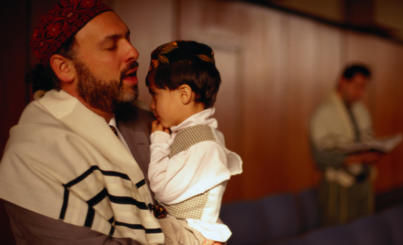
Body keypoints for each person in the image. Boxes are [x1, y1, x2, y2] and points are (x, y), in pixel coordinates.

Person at [0, 1, 218, 244]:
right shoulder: (31, 158)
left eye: (128, 39)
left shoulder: (147, 118)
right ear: (64, 67)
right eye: (111, 45)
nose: (134, 52)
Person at [145, 41, 243, 244]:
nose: (151, 105)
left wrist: (159, 142)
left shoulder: (203, 144)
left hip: (192, 234)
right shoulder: (191, 134)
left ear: (184, 94)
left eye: (155, 95)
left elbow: (161, 188)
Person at [309, 64, 384, 225]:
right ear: (343, 82)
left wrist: (373, 153)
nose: (360, 92)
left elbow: (366, 140)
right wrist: (355, 159)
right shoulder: (324, 113)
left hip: (363, 180)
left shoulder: (360, 110)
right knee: (340, 233)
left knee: (365, 229)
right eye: (357, 86)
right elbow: (320, 156)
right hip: (339, 186)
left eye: (363, 87)